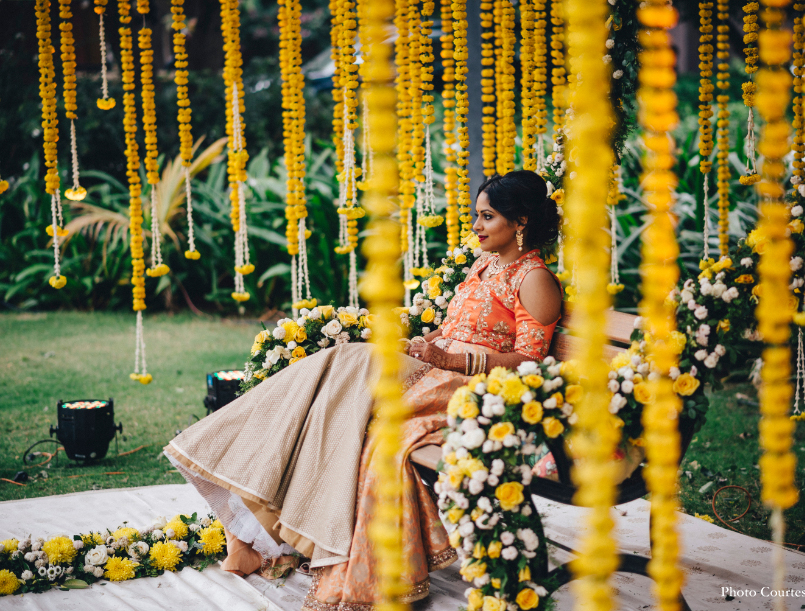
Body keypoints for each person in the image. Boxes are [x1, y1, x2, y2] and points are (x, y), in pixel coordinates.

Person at [164, 170, 563, 611]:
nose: (476, 226)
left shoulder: (534, 279)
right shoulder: (483, 265)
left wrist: (452, 360)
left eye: (487, 216)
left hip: (469, 391)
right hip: (433, 371)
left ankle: (230, 460)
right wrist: (425, 344)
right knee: (333, 403)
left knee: (348, 361)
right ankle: (249, 531)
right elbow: (454, 329)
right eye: (477, 215)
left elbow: (532, 362)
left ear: (520, 221)